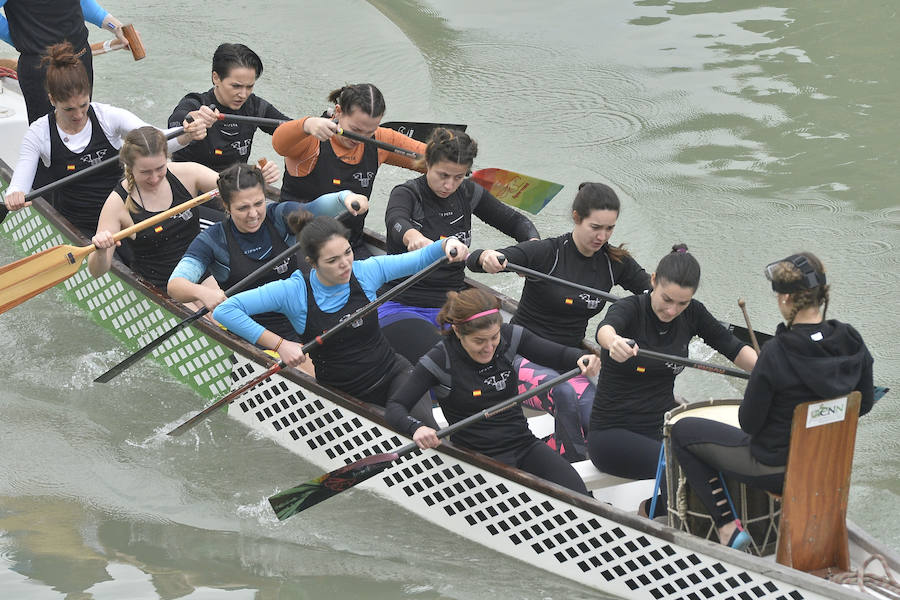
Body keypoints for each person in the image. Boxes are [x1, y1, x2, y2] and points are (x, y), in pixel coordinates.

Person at [669, 252, 874, 549]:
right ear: (821, 294)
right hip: (831, 467)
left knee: (683, 431)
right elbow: (863, 404)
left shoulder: (777, 352)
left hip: (778, 470)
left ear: (786, 299)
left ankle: (728, 528)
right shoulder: (851, 340)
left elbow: (749, 422)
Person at [212, 212, 467, 424]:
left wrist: (448, 244)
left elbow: (420, 258)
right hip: (341, 395)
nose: (345, 264)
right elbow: (226, 310)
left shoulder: (366, 271)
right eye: (333, 260)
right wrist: (280, 345)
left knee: (426, 430)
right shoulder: (293, 291)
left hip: (394, 374)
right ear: (313, 263)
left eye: (347, 252)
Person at [467, 182, 650, 462]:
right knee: (562, 391)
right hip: (518, 358)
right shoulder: (548, 253)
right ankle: (569, 470)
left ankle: (554, 453)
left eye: (609, 228)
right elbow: (478, 260)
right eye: (595, 227)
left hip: (568, 361)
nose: (602, 236)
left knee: (597, 415)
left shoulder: (615, 263)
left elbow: (651, 296)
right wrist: (486, 257)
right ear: (577, 218)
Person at [589, 244, 758, 516]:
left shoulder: (694, 314)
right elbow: (605, 330)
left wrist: (767, 371)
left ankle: (684, 515)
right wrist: (614, 342)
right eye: (667, 299)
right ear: (653, 280)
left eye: (682, 303)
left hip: (661, 425)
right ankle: (662, 516)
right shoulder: (630, 308)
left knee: (728, 452)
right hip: (612, 434)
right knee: (681, 465)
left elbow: (732, 347)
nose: (672, 310)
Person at [385, 288, 601, 495]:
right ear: (458, 331)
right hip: (478, 457)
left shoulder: (509, 336)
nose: (489, 348)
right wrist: (417, 428)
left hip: (523, 444)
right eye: (479, 341)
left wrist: (580, 358)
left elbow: (557, 354)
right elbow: (396, 407)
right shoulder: (440, 360)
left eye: (493, 338)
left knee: (579, 493)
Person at [3, 42, 210, 237]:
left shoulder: (107, 117)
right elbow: (21, 179)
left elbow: (157, 140)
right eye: (68, 109)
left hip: (124, 213)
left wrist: (187, 134)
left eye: (84, 105)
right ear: (52, 100)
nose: (78, 115)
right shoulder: (39, 133)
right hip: (80, 225)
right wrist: (14, 194)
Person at [379, 128, 540, 363]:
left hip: (451, 307)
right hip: (401, 304)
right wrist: (414, 237)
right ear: (428, 163)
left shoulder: (469, 193)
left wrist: (532, 247)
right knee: (447, 362)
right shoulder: (407, 194)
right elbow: (397, 221)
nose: (449, 185)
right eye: (443, 175)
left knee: (502, 352)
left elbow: (516, 222)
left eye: (458, 177)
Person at [167, 162, 368, 342]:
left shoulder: (280, 216)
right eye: (243, 208)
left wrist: (347, 197)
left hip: (301, 315)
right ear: (227, 206)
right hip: (252, 330)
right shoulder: (213, 240)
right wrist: (202, 293)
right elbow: (175, 286)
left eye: (259, 203)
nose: (253, 214)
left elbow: (316, 207)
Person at [272, 83, 425, 258]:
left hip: (349, 245)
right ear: (338, 112)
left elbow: (430, 160)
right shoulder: (312, 138)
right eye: (356, 130)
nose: (361, 139)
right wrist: (306, 124)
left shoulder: (381, 139)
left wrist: (456, 158)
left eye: (370, 132)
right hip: (300, 243)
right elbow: (279, 143)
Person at [88, 126, 219, 287]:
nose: (154, 178)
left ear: (167, 158)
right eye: (145, 172)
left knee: (219, 311)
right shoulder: (116, 204)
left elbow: (233, 186)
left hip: (198, 271)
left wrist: (256, 177)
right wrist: (100, 251)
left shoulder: (188, 173)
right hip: (158, 286)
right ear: (129, 167)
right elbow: (96, 272)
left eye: (160, 168)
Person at [168, 43, 287, 183]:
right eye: (236, 86)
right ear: (216, 78)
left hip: (232, 187)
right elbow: (177, 120)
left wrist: (309, 125)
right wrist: (194, 119)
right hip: (189, 189)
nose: (243, 95)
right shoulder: (195, 102)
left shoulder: (255, 106)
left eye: (250, 87)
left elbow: (290, 128)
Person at [0, 0, 131, 123]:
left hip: (80, 56)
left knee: (82, 123)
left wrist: (116, 27)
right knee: (49, 135)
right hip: (40, 65)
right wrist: (19, 38)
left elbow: (82, 3)